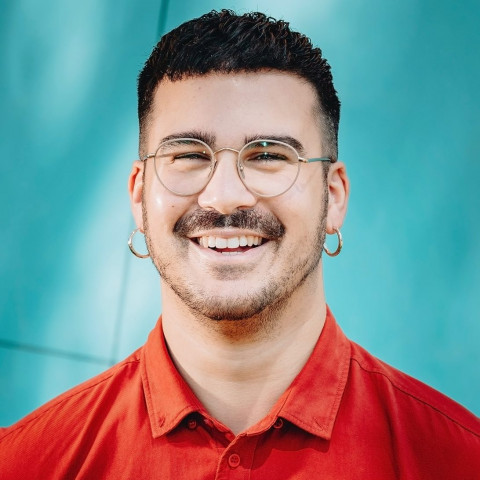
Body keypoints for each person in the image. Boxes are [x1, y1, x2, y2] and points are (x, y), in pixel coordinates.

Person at [1, 9, 478, 479]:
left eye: (268, 155)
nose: (225, 195)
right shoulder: (25, 463)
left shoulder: (460, 460)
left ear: (333, 197)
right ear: (139, 196)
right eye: (189, 154)